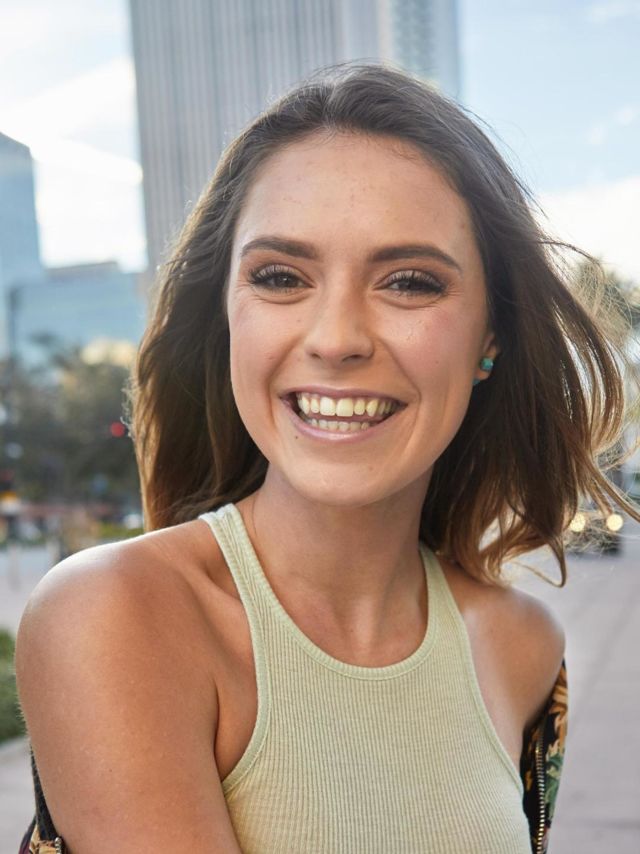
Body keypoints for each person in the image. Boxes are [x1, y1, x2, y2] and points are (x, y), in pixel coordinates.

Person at [15, 62, 634, 854]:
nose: (337, 338)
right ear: (227, 317)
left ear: (491, 339)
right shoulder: (119, 615)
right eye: (280, 277)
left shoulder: (525, 647)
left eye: (409, 282)